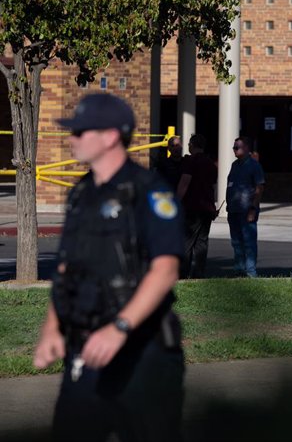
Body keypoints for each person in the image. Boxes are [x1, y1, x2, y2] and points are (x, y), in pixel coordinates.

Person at [33, 93, 185, 442]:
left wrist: (119, 328)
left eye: (81, 132)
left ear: (110, 136)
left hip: (143, 355)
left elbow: (165, 270)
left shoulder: (149, 192)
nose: (72, 139)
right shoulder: (81, 193)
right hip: (85, 351)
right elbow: (66, 269)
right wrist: (52, 328)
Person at [178, 133, 218, 278]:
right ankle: (198, 274)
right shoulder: (211, 164)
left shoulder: (190, 162)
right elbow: (212, 188)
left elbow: (184, 184)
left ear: (192, 145)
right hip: (207, 208)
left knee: (187, 242)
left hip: (191, 207)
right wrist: (213, 207)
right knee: (202, 242)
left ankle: (183, 274)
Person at [226, 136, 265, 278]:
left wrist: (253, 209)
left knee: (248, 242)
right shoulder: (234, 165)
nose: (234, 150)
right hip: (234, 210)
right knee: (236, 242)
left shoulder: (254, 166)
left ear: (246, 148)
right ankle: (239, 270)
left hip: (247, 210)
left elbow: (259, 187)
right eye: (234, 147)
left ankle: (250, 272)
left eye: (237, 147)